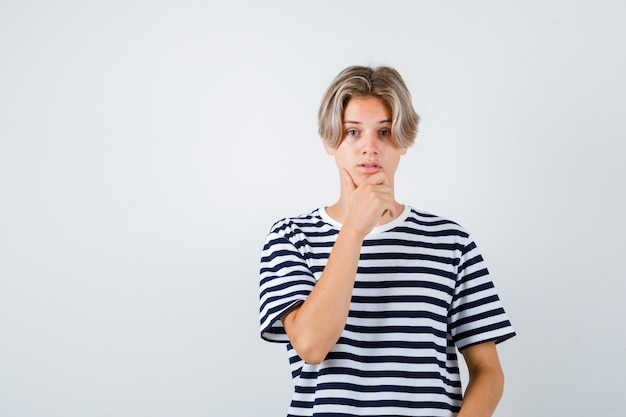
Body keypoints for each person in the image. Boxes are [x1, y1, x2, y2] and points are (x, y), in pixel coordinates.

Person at [258, 65, 515, 417]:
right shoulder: (291, 237)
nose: (369, 148)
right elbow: (312, 345)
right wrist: (354, 231)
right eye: (352, 132)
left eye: (384, 131)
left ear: (403, 142)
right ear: (329, 141)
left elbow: (488, 370)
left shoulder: (450, 242)